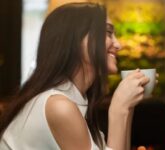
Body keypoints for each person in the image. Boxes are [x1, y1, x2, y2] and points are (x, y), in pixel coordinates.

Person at [0, 2, 151, 150]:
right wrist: (120, 109)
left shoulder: (75, 99)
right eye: (108, 33)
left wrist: (127, 107)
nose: (118, 45)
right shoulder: (58, 106)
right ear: (76, 39)